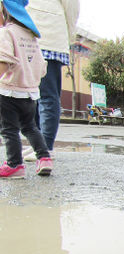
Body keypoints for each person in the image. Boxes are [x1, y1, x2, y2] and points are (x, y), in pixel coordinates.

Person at [0, 0, 53, 178]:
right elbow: (42, 66)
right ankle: (45, 157)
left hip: (9, 91)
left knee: (9, 129)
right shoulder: (31, 36)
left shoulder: (7, 33)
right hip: (30, 93)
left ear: (5, 11)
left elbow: (4, 60)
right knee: (30, 127)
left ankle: (15, 165)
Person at [23, 0, 80, 161]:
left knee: (47, 95)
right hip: (25, 35)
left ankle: (46, 147)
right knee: (30, 95)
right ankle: (38, 144)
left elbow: (72, 7)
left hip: (49, 34)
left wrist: (69, 34)